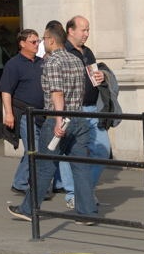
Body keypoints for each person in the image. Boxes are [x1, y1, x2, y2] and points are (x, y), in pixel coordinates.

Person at [8, 23, 98, 224]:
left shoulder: (52, 62)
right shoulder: (76, 60)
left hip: (57, 120)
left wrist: (58, 120)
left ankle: (28, 209)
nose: (42, 43)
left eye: (43, 39)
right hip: (79, 118)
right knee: (81, 167)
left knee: (44, 167)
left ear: (50, 40)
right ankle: (87, 213)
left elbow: (57, 93)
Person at [57, 15, 110, 210]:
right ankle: (73, 194)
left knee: (102, 151)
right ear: (71, 31)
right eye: (83, 30)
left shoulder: (88, 52)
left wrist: (102, 76)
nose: (87, 33)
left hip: (93, 108)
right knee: (69, 153)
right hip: (73, 109)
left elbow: (94, 77)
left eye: (88, 29)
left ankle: (84, 191)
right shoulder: (63, 52)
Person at [0, 29, 44, 195]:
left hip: (42, 113)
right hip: (25, 114)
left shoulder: (42, 62)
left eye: (38, 41)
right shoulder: (13, 64)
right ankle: (20, 182)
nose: (37, 45)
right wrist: (8, 114)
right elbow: (6, 91)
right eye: (33, 42)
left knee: (42, 149)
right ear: (22, 43)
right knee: (33, 148)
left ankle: (35, 183)